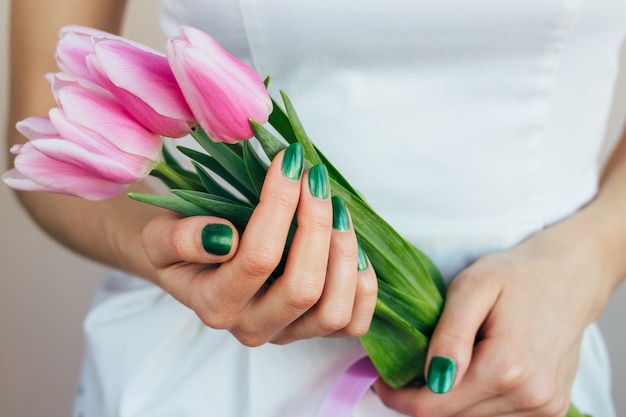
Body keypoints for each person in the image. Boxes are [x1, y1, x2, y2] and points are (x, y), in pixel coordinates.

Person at [7, 0, 626, 416]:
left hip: (534, 345)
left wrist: (586, 265)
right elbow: (38, 127)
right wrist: (180, 246)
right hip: (209, 363)